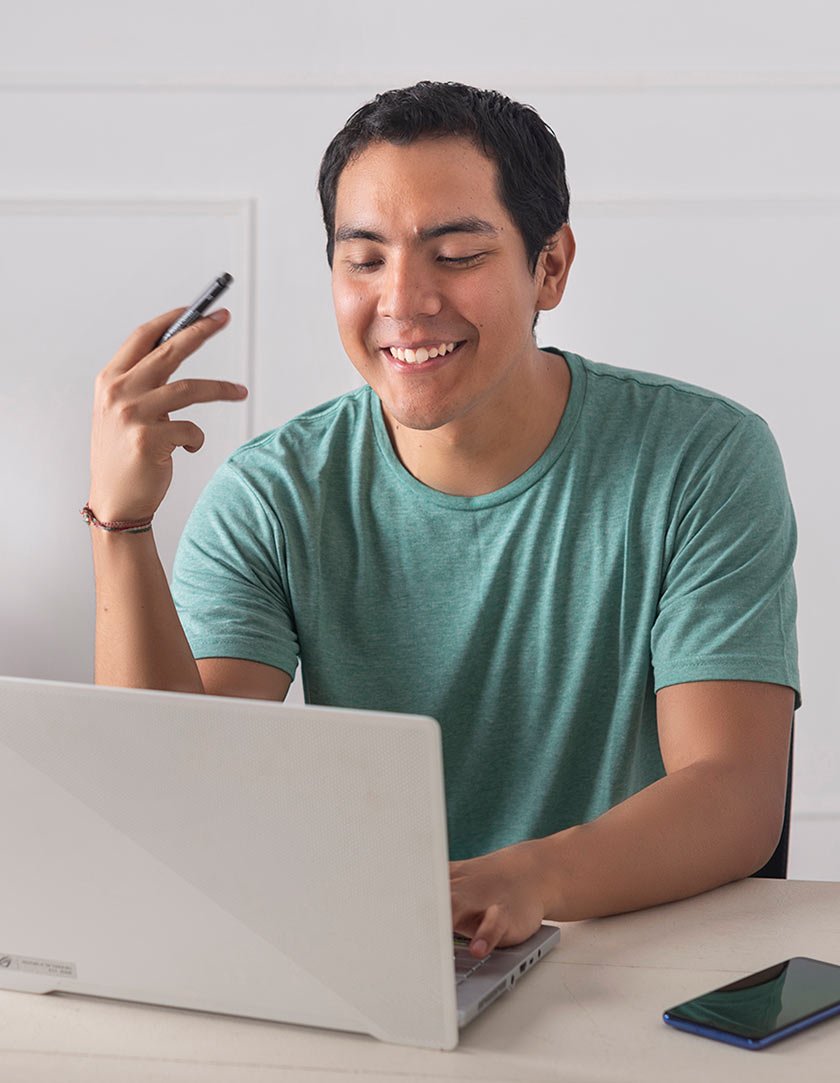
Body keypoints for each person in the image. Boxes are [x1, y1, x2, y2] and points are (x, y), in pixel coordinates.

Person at [87, 81, 799, 960]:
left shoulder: (702, 458)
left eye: (456, 253)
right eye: (365, 258)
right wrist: (120, 526)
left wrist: (529, 878)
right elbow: (170, 796)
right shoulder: (275, 492)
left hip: (637, 955)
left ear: (551, 266)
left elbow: (733, 791)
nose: (404, 299)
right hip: (391, 957)